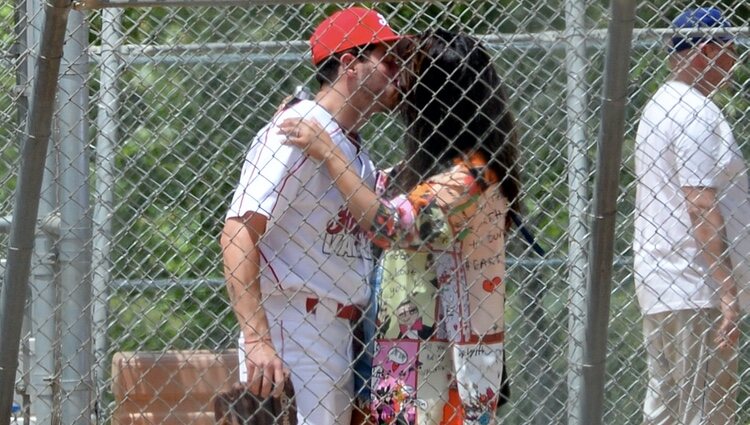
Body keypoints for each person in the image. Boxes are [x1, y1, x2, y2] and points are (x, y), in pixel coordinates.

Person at [280, 29, 521, 425]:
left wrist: (328, 151)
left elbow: (388, 225)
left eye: (405, 76)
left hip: (444, 375)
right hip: (406, 366)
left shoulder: (472, 179)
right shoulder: (436, 170)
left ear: (434, 100)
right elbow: (378, 192)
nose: (397, 85)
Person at [220, 7, 400, 424]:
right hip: (295, 327)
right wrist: (258, 339)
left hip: (338, 332)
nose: (398, 70)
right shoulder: (295, 130)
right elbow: (237, 232)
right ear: (351, 64)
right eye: (387, 59)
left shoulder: (349, 148)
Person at [633, 7, 749, 425]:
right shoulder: (696, 111)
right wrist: (727, 290)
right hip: (696, 282)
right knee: (707, 411)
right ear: (704, 51)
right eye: (729, 53)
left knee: (666, 407)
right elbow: (699, 202)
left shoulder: (660, 104)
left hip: (666, 279)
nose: (734, 65)